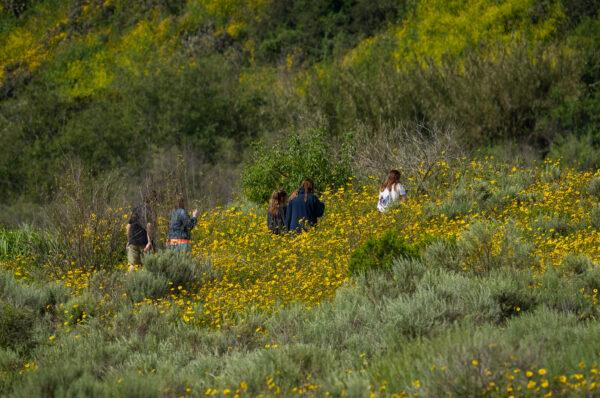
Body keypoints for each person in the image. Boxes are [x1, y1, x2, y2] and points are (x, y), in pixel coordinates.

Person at [126, 195, 156, 272]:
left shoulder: (136, 209)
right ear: (152, 201)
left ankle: (130, 281)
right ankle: (145, 282)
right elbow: (149, 226)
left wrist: (129, 240)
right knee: (147, 265)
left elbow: (128, 226)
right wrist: (149, 242)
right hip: (144, 242)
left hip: (133, 241)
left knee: (132, 264)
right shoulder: (149, 210)